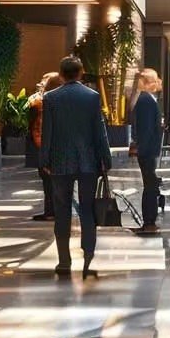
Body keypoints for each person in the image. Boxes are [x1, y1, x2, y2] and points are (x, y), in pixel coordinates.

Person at [40, 55, 112, 278]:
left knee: (62, 210)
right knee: (87, 209)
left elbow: (47, 133)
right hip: (88, 162)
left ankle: (64, 261)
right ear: (81, 73)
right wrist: (105, 158)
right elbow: (99, 131)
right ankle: (88, 255)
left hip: (60, 162)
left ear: (61, 75)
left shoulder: (51, 98)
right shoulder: (92, 97)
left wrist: (44, 161)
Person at [129, 68, 164, 236]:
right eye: (156, 80)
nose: (159, 83)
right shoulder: (146, 100)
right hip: (147, 151)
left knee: (150, 185)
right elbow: (146, 129)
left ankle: (150, 221)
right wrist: (143, 149)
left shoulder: (146, 99)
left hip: (148, 150)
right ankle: (149, 221)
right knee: (150, 186)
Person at [29, 72, 61, 221]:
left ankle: (52, 211)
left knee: (49, 181)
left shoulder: (42, 102)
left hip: (45, 146)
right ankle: (52, 210)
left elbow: (39, 127)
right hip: (56, 146)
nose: (40, 84)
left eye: (43, 82)